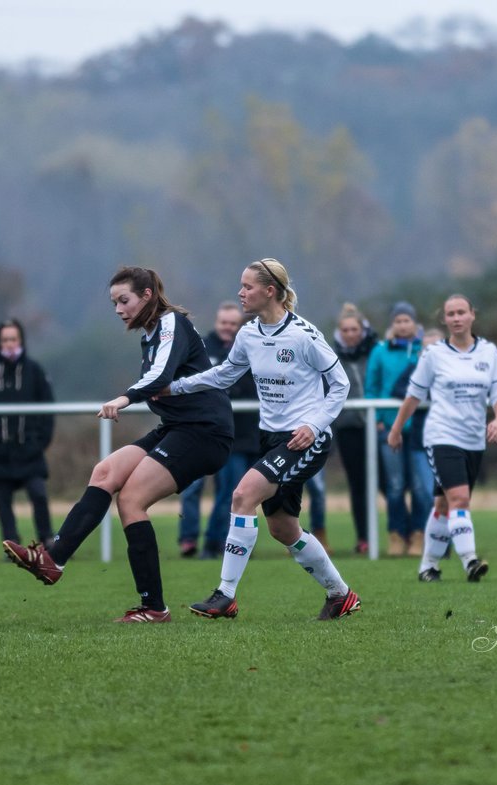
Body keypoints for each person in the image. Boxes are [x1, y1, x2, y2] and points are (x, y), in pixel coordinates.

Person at [3, 266, 233, 622]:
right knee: (106, 471)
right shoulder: (150, 334)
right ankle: (53, 560)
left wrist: (125, 398)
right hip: (177, 426)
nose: (118, 309)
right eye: (114, 303)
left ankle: (154, 608)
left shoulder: (171, 322)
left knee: (131, 499)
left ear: (147, 296)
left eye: (123, 300)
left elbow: (161, 376)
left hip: (205, 432)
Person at [164, 258, 361, 620]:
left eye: (247, 287)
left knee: (242, 495)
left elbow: (341, 385)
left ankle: (225, 595)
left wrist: (315, 425)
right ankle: (341, 595)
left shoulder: (303, 335)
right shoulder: (249, 334)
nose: (240, 293)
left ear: (270, 291)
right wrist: (176, 387)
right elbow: (224, 375)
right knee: (283, 529)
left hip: (305, 440)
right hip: (271, 439)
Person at [388, 294, 497, 582]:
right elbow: (414, 394)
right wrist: (396, 429)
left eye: (461, 312)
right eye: (450, 314)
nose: (456, 318)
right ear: (444, 319)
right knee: (460, 498)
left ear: (472, 315)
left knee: (444, 505)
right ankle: (470, 561)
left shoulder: (489, 353)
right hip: (441, 435)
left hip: (473, 439)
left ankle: (428, 566)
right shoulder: (434, 354)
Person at [177, 301, 260, 559]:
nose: (228, 328)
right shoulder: (202, 347)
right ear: (217, 322)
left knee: (241, 493)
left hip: (249, 434)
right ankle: (203, 541)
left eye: (233, 324)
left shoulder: (248, 347)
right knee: (208, 490)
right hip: (214, 432)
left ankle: (232, 543)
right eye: (224, 323)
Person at [0, 318, 56, 552]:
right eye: (5, 339)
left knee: (38, 494)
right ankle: (12, 546)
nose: (9, 344)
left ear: (21, 341)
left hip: (29, 450)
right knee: (3, 502)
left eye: (13, 339)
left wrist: (40, 442)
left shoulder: (35, 371)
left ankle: (48, 542)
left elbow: (48, 410)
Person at [365, 300, 433, 556]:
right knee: (394, 485)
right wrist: (378, 417)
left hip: (418, 428)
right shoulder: (380, 351)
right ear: (392, 324)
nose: (403, 325)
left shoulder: (424, 350)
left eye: (407, 320)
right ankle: (396, 535)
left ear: (415, 324)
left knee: (419, 486)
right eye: (398, 321)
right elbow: (372, 388)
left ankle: (418, 535)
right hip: (388, 426)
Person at [332, 302, 378, 553]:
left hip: (377, 426)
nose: (351, 334)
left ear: (362, 329)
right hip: (349, 427)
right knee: (358, 485)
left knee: (390, 484)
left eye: (355, 329)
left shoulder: (375, 350)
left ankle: (401, 535)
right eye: (346, 330)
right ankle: (363, 537)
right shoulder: (331, 354)